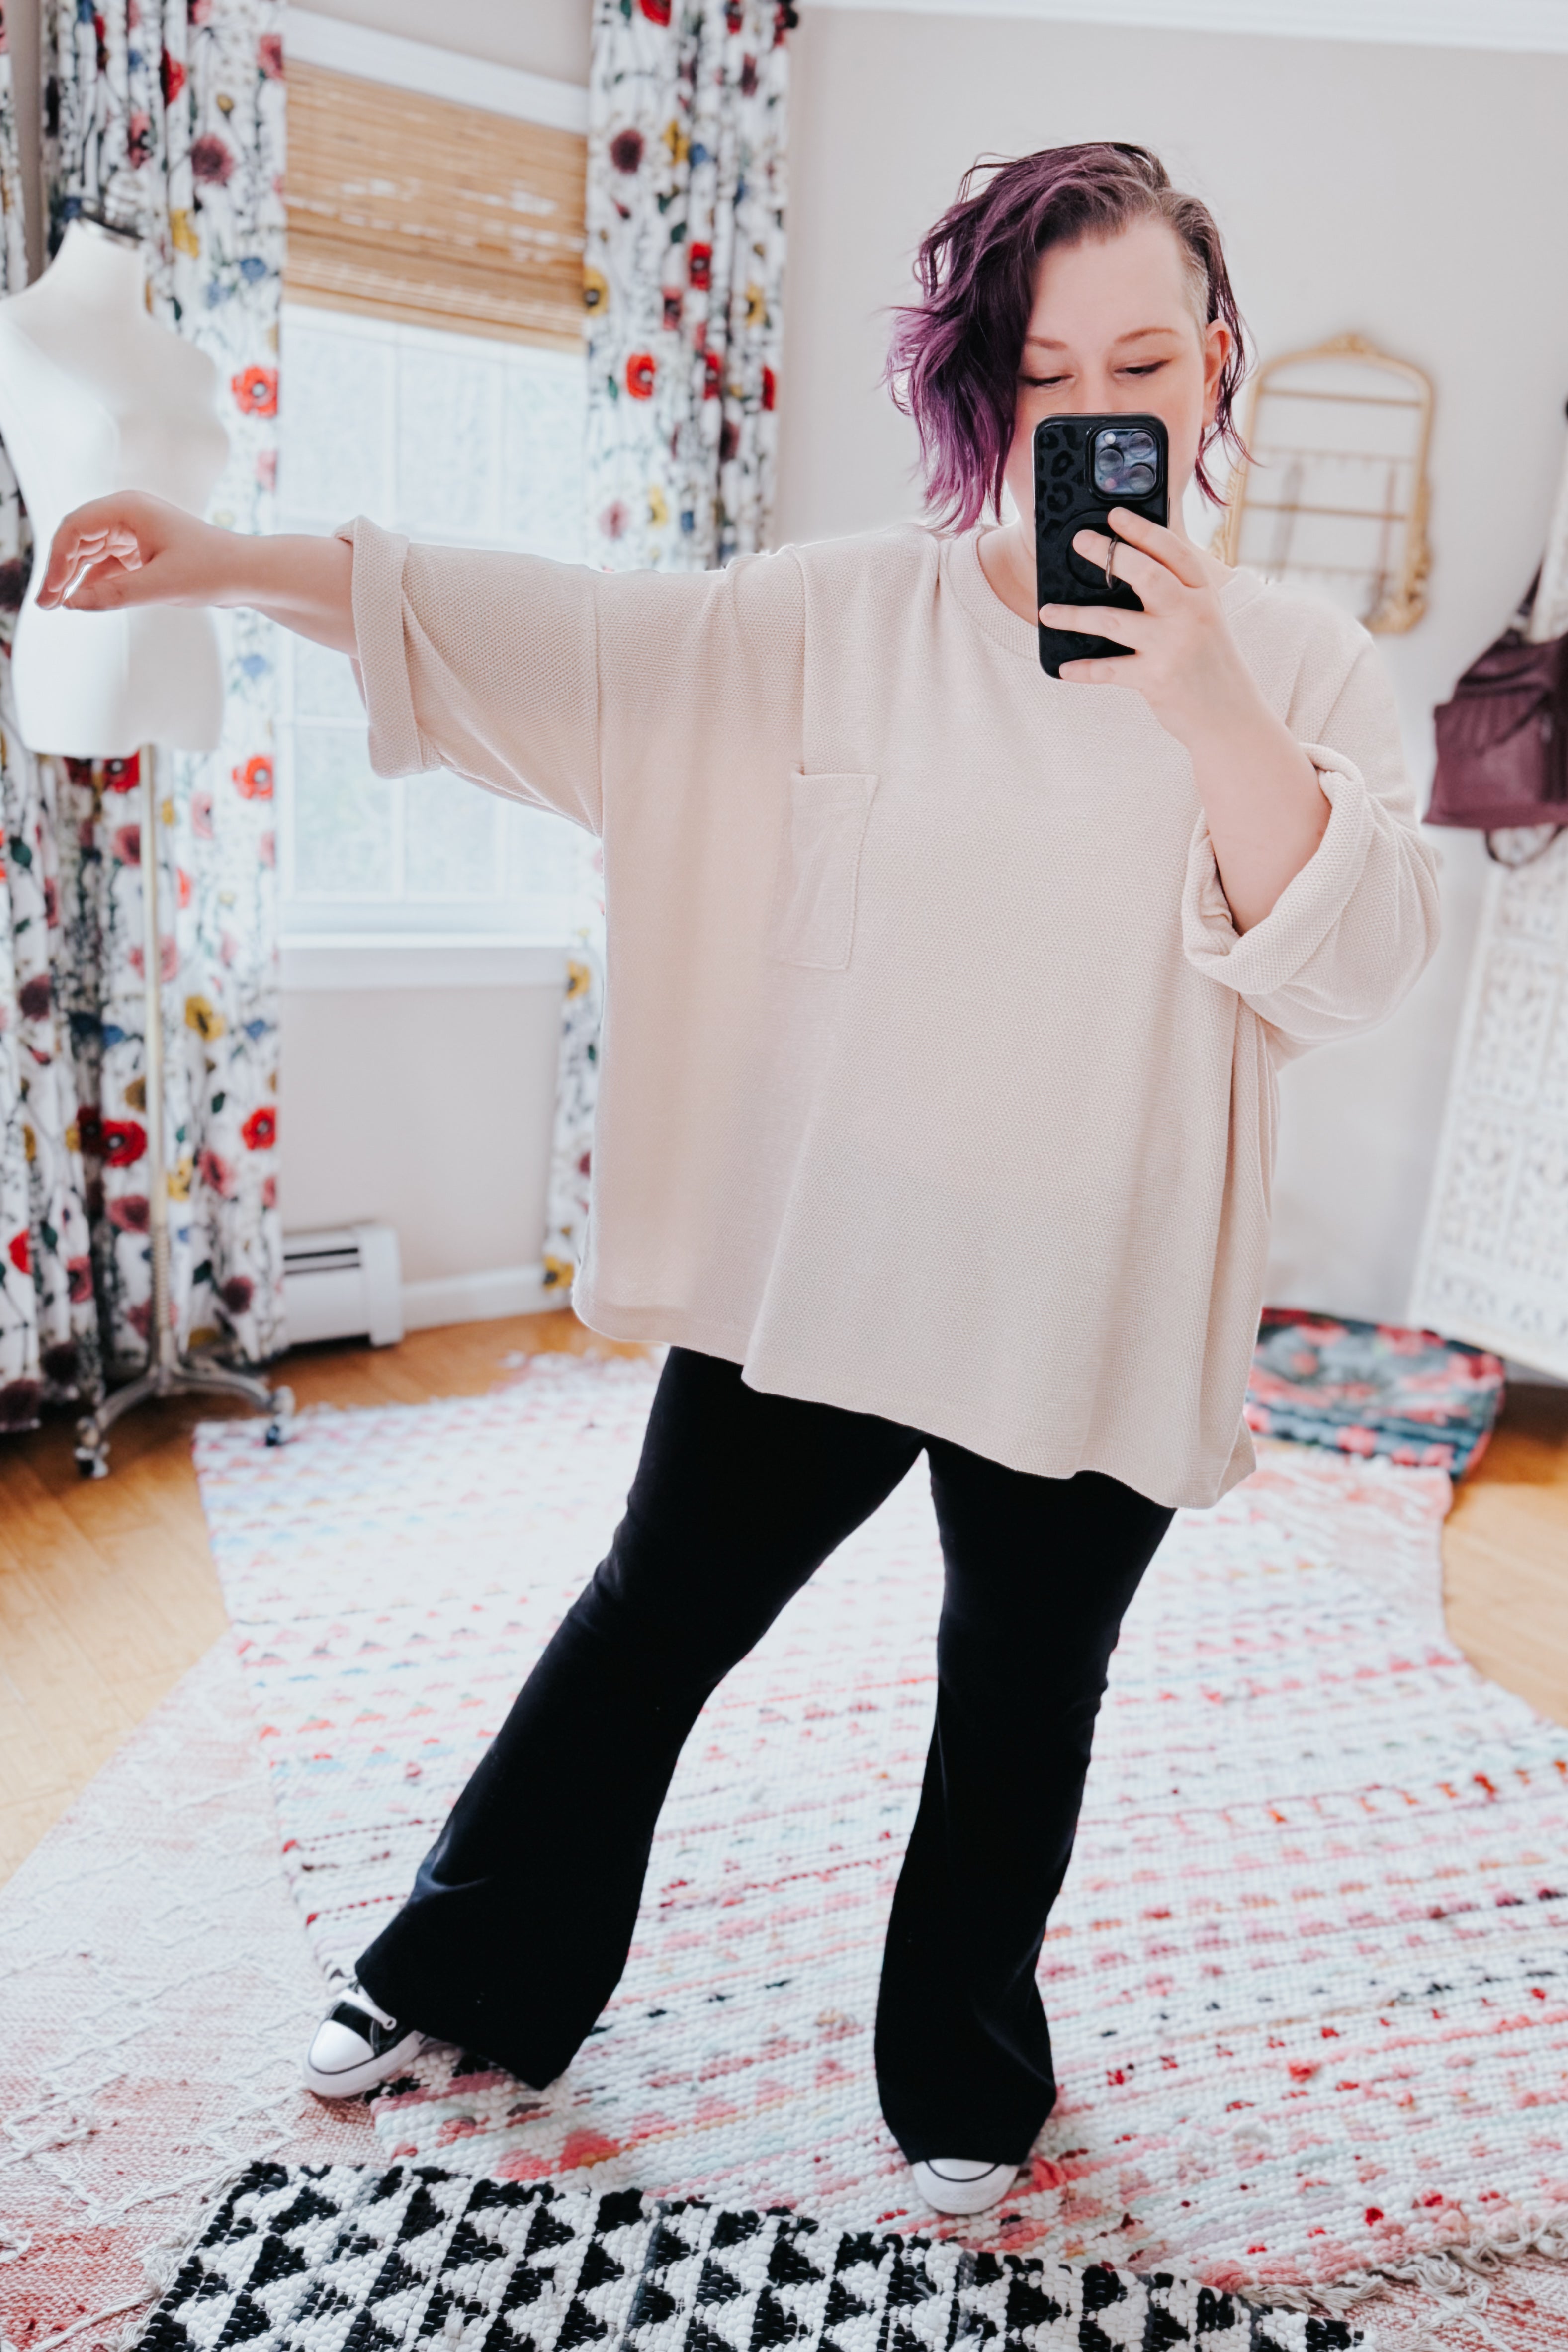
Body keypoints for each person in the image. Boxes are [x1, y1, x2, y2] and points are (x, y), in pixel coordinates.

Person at [39, 143, 1439, 2219]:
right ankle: (466, 1968)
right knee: (654, 1615)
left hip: (1095, 1277)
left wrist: (1207, 692)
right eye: (1049, 374)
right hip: (838, 1248)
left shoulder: (1306, 665)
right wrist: (234, 560)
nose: (1099, 416)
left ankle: (964, 2076)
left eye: (1144, 360)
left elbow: (1353, 954)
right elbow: (579, 647)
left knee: (1022, 1696)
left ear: (1215, 362)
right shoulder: (850, 617)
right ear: (991, 388)